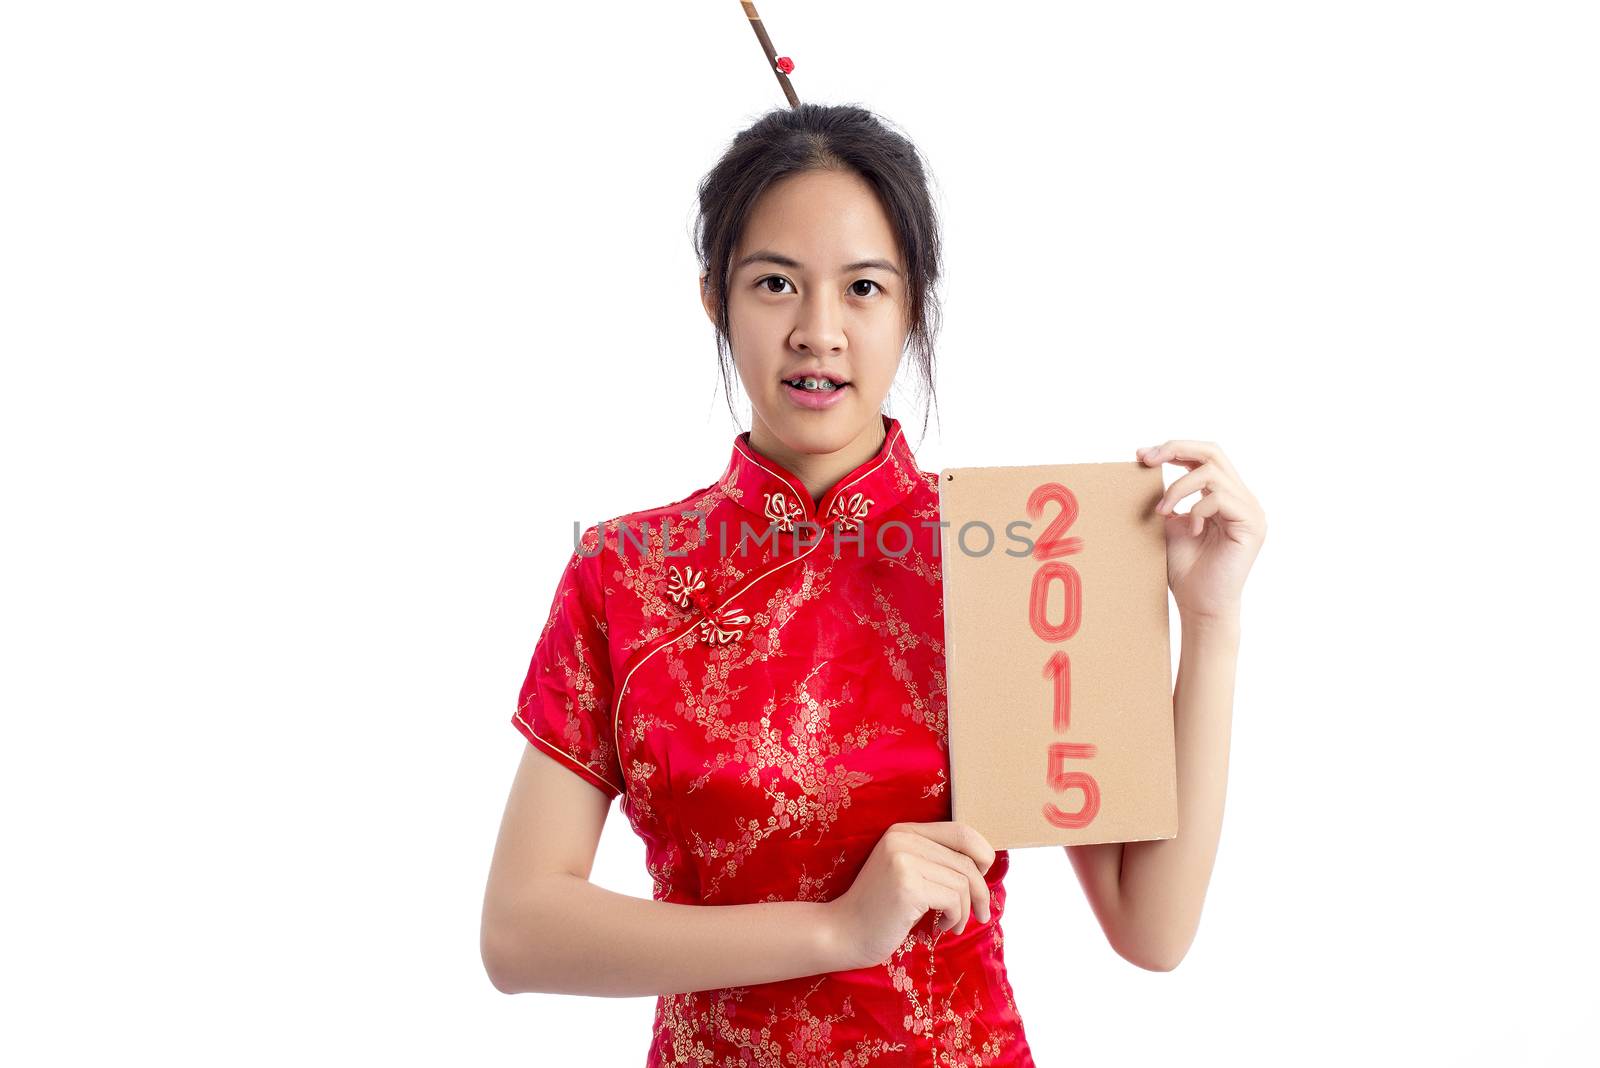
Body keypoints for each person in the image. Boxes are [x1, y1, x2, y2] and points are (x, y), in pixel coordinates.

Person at [480, 103, 1266, 1067]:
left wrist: (1212, 620)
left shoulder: (1013, 552)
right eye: (775, 283)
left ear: (913, 306)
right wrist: (836, 930)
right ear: (714, 299)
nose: (819, 331)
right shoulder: (625, 571)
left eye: (862, 288)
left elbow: (1153, 928)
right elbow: (518, 931)